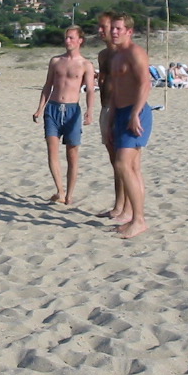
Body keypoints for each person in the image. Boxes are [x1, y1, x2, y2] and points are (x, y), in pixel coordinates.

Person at [33, 26, 95, 204]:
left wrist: (89, 111)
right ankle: (60, 190)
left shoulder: (86, 64)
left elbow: (90, 90)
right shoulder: (55, 61)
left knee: (72, 153)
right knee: (52, 150)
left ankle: (69, 194)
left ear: (80, 40)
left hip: (72, 110)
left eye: (71, 38)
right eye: (66, 37)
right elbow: (48, 85)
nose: (67, 41)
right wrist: (40, 108)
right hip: (52, 108)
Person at [106, 14, 153, 239]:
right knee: (132, 167)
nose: (114, 32)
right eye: (112, 28)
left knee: (122, 164)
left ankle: (139, 220)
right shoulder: (116, 56)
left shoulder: (136, 52)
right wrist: (111, 119)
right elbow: (116, 91)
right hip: (121, 113)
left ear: (129, 32)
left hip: (137, 112)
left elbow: (145, 83)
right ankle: (133, 217)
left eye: (119, 29)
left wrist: (135, 113)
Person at [96, 12, 125, 220]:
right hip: (106, 108)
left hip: (122, 109)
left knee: (125, 162)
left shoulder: (123, 54)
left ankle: (126, 207)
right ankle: (119, 205)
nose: (100, 31)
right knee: (114, 161)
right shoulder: (103, 55)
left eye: (103, 27)